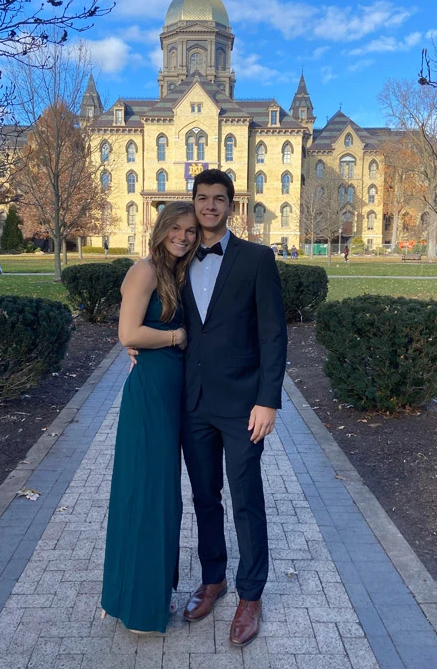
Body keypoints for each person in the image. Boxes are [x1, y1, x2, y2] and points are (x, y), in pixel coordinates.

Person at [180, 170, 287, 647]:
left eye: (218, 199)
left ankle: (251, 594)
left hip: (244, 405)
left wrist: (268, 400)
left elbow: (272, 335)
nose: (209, 207)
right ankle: (214, 578)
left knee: (246, 499)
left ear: (231, 205)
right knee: (205, 497)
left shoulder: (258, 259)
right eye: (202, 199)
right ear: (194, 203)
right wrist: (134, 342)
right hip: (194, 403)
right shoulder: (178, 258)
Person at [101, 201, 199, 634]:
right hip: (150, 396)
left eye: (191, 231)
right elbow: (129, 333)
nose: (183, 236)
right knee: (147, 492)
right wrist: (177, 335)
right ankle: (138, 605)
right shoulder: (144, 270)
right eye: (176, 229)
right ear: (160, 230)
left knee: (165, 497)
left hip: (174, 392)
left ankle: (145, 593)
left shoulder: (179, 273)